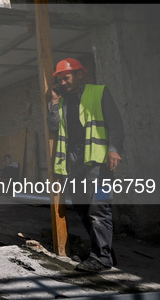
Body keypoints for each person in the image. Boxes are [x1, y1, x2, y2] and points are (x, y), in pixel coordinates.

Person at [47, 58, 125, 273]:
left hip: (100, 163)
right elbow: (53, 126)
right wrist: (53, 100)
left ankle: (100, 258)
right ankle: (104, 252)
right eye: (60, 79)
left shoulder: (99, 92)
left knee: (98, 208)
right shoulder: (61, 101)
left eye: (67, 77)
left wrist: (114, 148)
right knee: (82, 208)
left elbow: (115, 124)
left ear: (80, 74)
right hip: (75, 164)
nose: (63, 82)